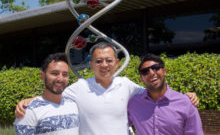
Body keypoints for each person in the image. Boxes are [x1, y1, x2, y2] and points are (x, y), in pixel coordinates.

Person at [15, 42, 198, 135]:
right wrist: (29, 101)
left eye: (109, 60)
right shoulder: (79, 87)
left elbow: (154, 90)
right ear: (91, 64)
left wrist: (184, 96)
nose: (104, 65)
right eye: (99, 61)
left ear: (117, 63)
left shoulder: (126, 85)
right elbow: (55, 92)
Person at [128, 53, 204, 135]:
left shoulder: (185, 102)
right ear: (141, 79)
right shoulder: (133, 104)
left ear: (164, 71)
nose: (151, 73)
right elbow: (116, 124)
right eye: (145, 71)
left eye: (155, 68)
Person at [14, 53, 79, 135]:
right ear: (43, 76)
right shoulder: (28, 111)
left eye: (65, 74)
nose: (60, 79)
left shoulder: (74, 103)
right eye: (55, 73)